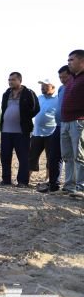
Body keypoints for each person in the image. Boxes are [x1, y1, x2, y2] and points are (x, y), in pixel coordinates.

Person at [0, 72, 40, 187]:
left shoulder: (29, 93)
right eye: (9, 80)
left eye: (13, 80)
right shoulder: (6, 93)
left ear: (19, 80)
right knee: (5, 156)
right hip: (6, 131)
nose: (10, 82)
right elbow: (4, 109)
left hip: (22, 131)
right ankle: (6, 180)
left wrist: (25, 118)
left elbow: (36, 108)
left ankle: (22, 181)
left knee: (23, 157)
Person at [61, 50, 84, 198]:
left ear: (81, 61)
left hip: (79, 121)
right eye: (68, 60)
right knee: (67, 156)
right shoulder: (72, 79)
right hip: (65, 122)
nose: (68, 62)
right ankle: (69, 186)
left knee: (79, 156)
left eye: (71, 60)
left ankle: (81, 187)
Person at [28, 78, 58, 187]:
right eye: (42, 86)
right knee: (31, 156)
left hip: (52, 132)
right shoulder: (39, 98)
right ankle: (26, 178)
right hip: (37, 132)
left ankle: (48, 179)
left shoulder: (58, 98)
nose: (42, 88)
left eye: (45, 86)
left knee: (51, 157)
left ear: (53, 87)